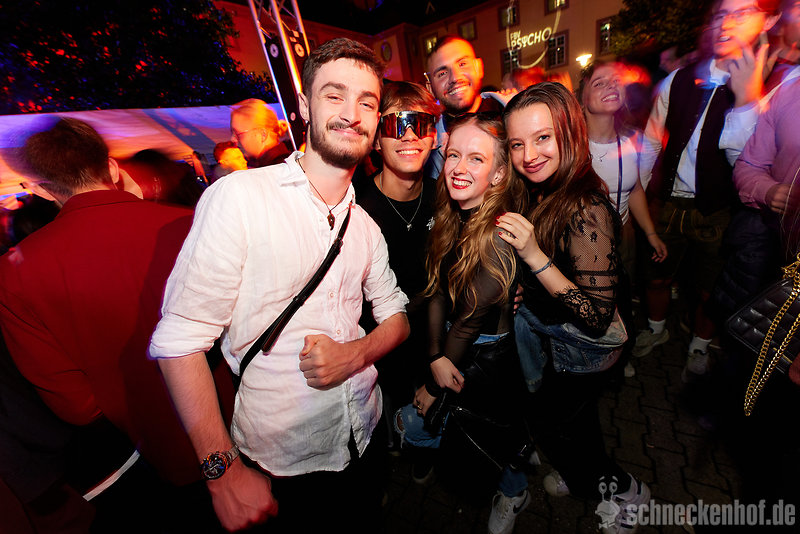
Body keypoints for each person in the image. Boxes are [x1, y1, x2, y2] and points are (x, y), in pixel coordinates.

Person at [149, 38, 410, 533]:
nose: (351, 113)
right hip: (284, 462)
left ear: (377, 120)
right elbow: (179, 343)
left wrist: (354, 355)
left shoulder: (366, 227)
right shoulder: (240, 199)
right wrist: (222, 474)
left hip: (366, 436)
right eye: (334, 95)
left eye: (367, 102)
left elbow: (397, 317)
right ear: (305, 107)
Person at [0, 118, 228, 533]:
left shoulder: (15, 274)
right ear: (111, 167)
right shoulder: (192, 223)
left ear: (38, 189)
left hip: (152, 458)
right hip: (248, 426)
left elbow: (76, 405)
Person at [497, 82, 650, 534]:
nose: (529, 155)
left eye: (542, 137)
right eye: (518, 144)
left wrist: (534, 258)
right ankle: (580, 470)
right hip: (556, 341)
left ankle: (627, 492)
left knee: (566, 429)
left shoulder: (586, 207)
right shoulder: (540, 189)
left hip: (583, 350)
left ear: (569, 132)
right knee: (566, 423)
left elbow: (596, 314)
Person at [393, 113, 530, 534]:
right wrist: (435, 355)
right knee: (453, 431)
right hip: (455, 343)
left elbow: (469, 323)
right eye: (454, 155)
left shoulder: (498, 235)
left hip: (487, 355)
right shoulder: (452, 215)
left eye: (476, 158)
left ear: (498, 173)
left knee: (488, 436)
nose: (459, 167)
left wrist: (435, 383)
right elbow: (437, 289)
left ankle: (514, 490)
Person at [636, 0, 781, 383]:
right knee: (656, 277)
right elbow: (651, 140)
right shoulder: (678, 79)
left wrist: (749, 97)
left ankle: (699, 346)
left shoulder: (774, 88)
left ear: (768, 20)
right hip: (668, 203)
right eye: (720, 14)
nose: (726, 23)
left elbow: (757, 165)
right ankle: (656, 328)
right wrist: (641, 195)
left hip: (720, 211)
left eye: (741, 13)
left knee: (709, 290)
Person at [353, 80, 439, 458]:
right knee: (396, 418)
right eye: (394, 124)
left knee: (430, 418)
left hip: (435, 334)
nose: (408, 134)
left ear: (433, 136)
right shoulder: (356, 210)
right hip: (382, 345)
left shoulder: (445, 196)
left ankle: (423, 453)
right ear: (375, 140)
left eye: (419, 123)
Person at [577, 61, 668, 378]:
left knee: (620, 300)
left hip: (624, 235)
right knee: (590, 306)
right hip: (585, 242)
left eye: (615, 81)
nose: (611, 85)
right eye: (599, 82)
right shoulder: (571, 147)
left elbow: (636, 188)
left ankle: (619, 351)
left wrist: (651, 234)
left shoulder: (631, 141)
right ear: (582, 99)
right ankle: (589, 359)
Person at [423, 35, 510, 179]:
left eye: (462, 64)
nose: (455, 78)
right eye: (442, 73)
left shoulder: (513, 115)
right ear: (430, 87)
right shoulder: (428, 147)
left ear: (479, 68)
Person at [229, 98, 291, 168]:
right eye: (232, 132)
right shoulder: (273, 164)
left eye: (237, 133)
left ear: (263, 135)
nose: (232, 139)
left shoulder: (276, 168)